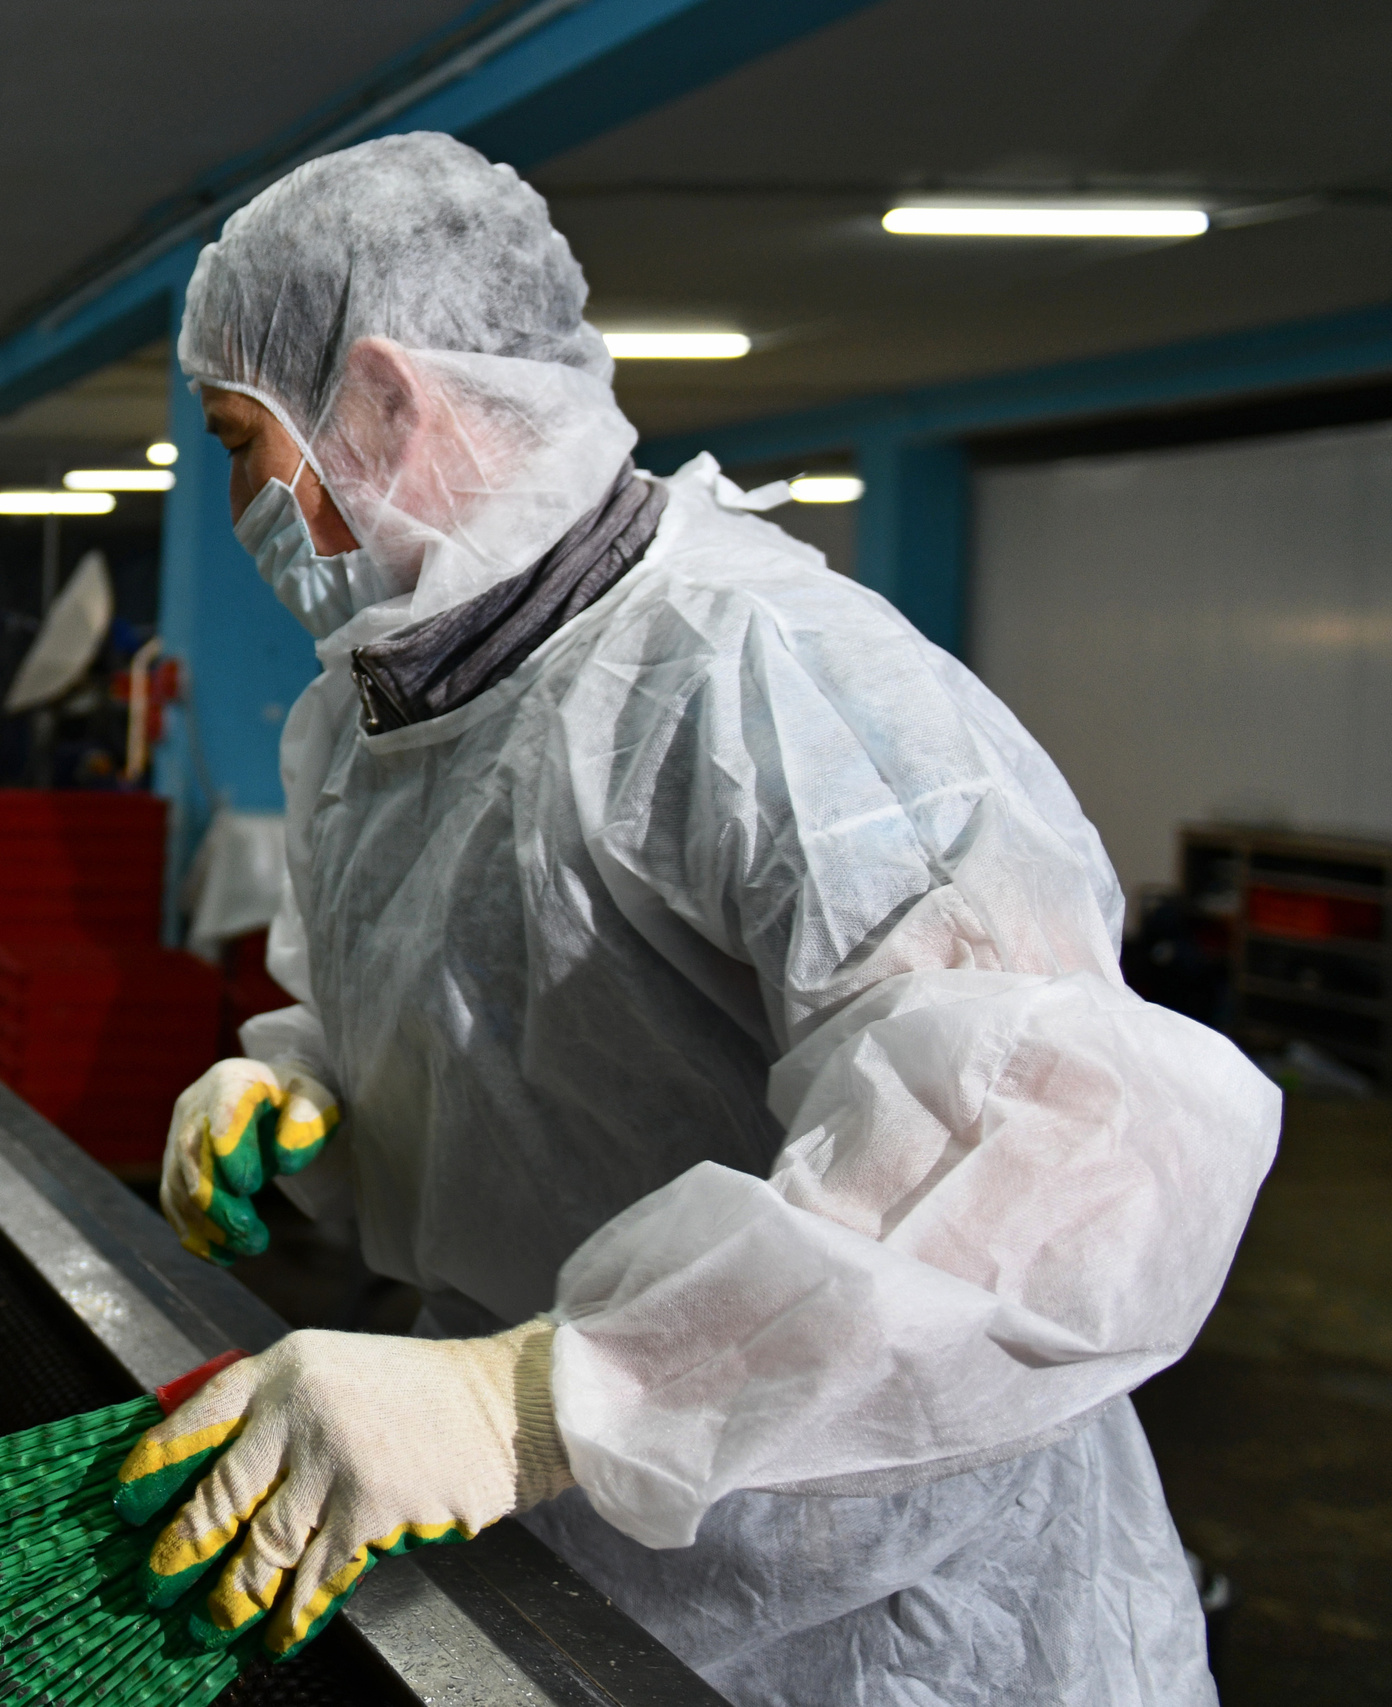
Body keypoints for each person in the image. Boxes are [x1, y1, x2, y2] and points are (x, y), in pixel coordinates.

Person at [125, 133, 1278, 1706]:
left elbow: (1055, 1164)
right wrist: (315, 1083)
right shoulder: (369, 723)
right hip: (565, 1563)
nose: (243, 497)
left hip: (886, 1609)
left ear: (384, 398)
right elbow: (473, 1024)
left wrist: (533, 1398)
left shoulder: (757, 676)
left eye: (241, 439)